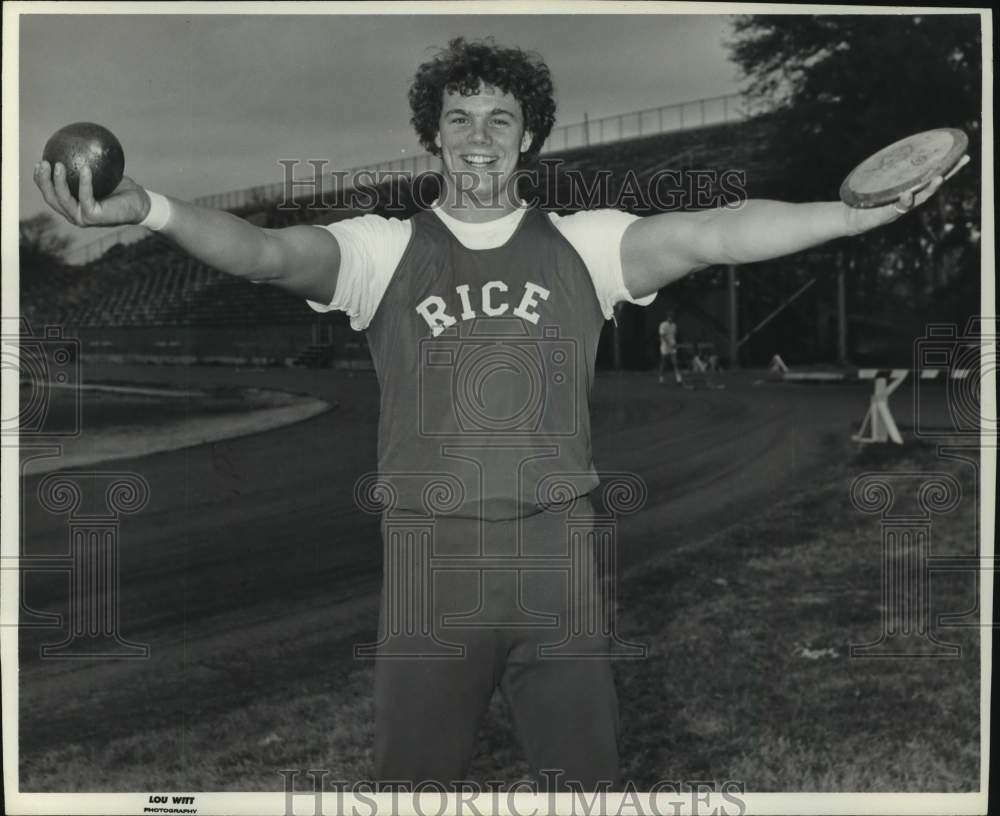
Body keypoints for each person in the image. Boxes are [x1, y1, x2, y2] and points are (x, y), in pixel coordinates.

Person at [33, 37, 966, 790]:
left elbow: (715, 230)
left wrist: (844, 217)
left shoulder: (586, 244)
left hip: (556, 557)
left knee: (583, 785)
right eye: (459, 117)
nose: (479, 135)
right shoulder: (380, 251)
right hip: (429, 563)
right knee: (413, 787)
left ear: (528, 139)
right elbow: (263, 254)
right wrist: (150, 207)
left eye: (501, 118)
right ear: (433, 139)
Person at [658, 311, 683, 385]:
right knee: (664, 362)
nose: (671, 318)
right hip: (665, 346)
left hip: (672, 345)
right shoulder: (663, 325)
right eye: (670, 316)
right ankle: (661, 378)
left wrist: (674, 344)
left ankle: (679, 379)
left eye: (672, 316)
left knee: (675, 362)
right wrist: (669, 344)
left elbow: (674, 335)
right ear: (667, 317)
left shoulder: (674, 325)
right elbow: (662, 336)